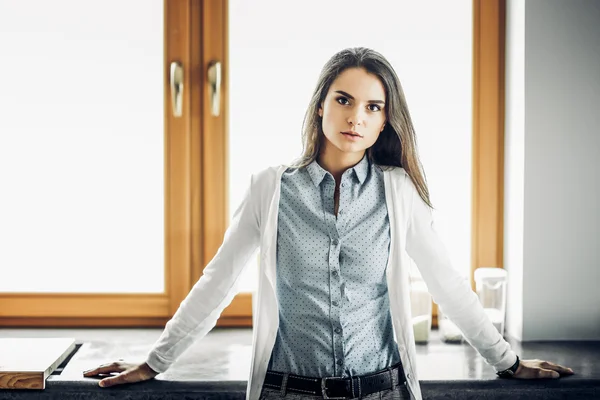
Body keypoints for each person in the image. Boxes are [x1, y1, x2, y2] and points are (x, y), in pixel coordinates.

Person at [82, 47, 574, 400]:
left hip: (383, 392)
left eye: (372, 107)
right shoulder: (270, 188)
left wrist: (507, 362)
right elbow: (217, 283)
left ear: (384, 122)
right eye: (343, 100)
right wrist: (154, 362)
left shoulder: (397, 192)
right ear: (321, 105)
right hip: (285, 392)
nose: (355, 116)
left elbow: (448, 286)